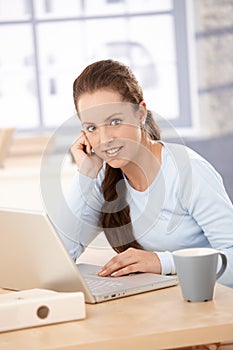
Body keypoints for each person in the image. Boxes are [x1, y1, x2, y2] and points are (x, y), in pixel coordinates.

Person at [59, 59, 233, 287]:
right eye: (92, 128)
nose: (104, 140)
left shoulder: (189, 172)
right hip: (156, 305)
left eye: (114, 121)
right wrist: (85, 175)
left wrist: (162, 262)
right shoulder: (103, 176)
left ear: (140, 113)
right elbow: (59, 258)